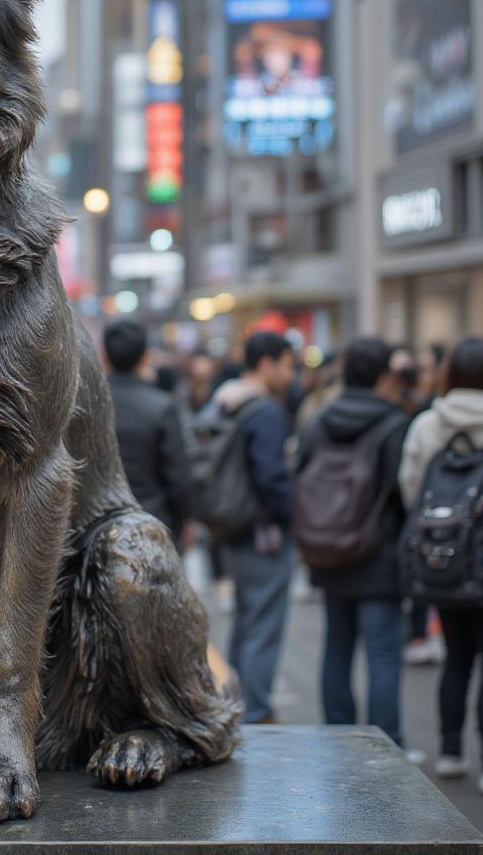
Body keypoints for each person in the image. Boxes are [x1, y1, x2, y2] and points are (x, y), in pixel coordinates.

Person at [296, 337, 411, 748]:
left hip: (327, 550)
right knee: (381, 653)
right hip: (377, 552)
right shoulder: (395, 424)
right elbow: (402, 491)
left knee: (337, 647)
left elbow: (302, 478)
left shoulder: (318, 421)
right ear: (384, 376)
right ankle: (385, 743)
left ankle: (338, 736)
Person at [399, 337, 483, 792]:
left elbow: (410, 490)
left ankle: (451, 751)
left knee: (457, 657)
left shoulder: (428, 424)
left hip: (443, 560)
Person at [211, 331, 296, 724]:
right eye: (288, 365)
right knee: (263, 625)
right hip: (263, 533)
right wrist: (291, 515)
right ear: (267, 363)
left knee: (246, 621)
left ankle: (235, 701)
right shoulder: (265, 411)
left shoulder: (222, 401)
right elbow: (271, 477)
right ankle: (256, 712)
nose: (291, 375)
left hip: (230, 525)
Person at [102, 320, 193, 540]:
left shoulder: (86, 403)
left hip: (97, 527)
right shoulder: (162, 406)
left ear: (104, 357)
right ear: (145, 356)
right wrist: (184, 521)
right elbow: (178, 476)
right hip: (153, 525)